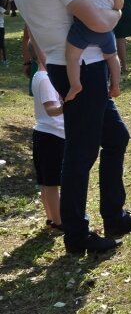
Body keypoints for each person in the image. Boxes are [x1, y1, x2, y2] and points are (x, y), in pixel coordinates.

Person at [14, 0, 131, 255]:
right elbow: (101, 23)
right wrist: (117, 14)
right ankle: (77, 234)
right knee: (81, 151)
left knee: (115, 136)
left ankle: (113, 214)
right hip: (83, 69)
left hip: (71, 65)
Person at [64, 0, 123, 102]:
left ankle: (75, 84)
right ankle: (116, 84)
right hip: (105, 33)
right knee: (112, 56)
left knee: (72, 58)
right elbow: (119, 4)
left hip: (84, 28)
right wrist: (115, 8)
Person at [29, 46, 66, 231]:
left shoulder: (39, 76)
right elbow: (51, 109)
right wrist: (68, 104)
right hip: (52, 135)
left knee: (45, 181)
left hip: (44, 134)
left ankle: (51, 218)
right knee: (51, 183)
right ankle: (59, 222)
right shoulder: (45, 79)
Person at [0, 0, 6, 66]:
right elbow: (7, 12)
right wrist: (9, 3)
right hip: (0, 27)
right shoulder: (0, 8)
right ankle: (4, 60)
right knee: (2, 45)